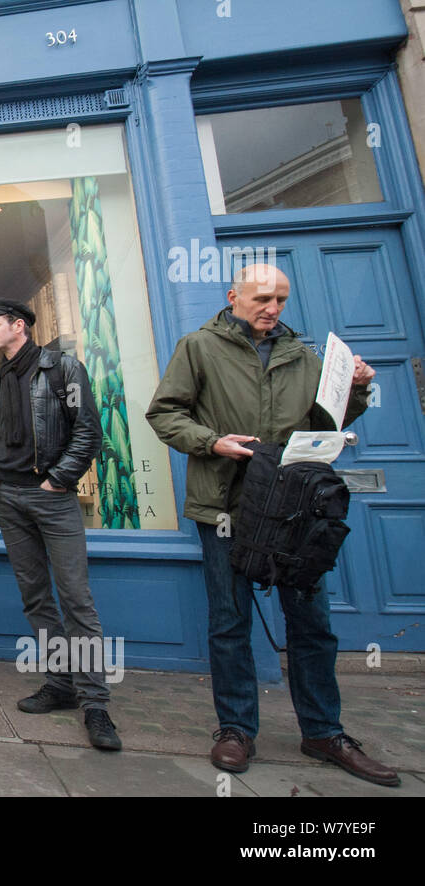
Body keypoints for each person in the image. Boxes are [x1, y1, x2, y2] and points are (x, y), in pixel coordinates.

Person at [145, 263, 399, 786]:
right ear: (234, 295)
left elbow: (328, 426)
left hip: (295, 510)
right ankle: (236, 729)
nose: (272, 308)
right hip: (225, 506)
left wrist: (356, 391)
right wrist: (212, 441)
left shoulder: (306, 357)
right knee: (230, 622)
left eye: (281, 299)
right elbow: (165, 413)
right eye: (262, 298)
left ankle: (324, 731)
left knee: (311, 624)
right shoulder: (198, 347)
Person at [0, 301, 121, 751]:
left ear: (19, 326)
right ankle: (60, 683)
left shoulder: (63, 368)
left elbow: (89, 432)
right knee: (36, 597)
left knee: (77, 599)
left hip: (52, 500)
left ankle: (95, 701)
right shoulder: (0, 376)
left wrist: (58, 480)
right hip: (10, 498)